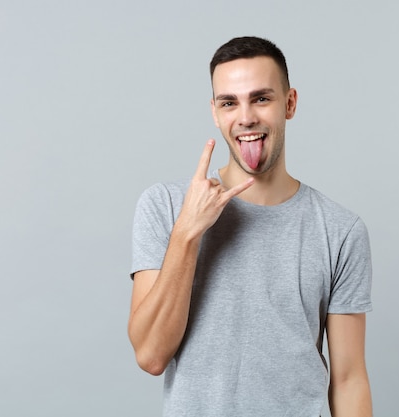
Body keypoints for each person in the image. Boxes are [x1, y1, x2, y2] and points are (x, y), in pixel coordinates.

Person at [128, 36, 373, 417]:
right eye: (229, 102)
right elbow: (150, 355)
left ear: (289, 103)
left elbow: (349, 379)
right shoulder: (165, 205)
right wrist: (188, 233)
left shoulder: (340, 230)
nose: (245, 117)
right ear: (215, 112)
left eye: (261, 98)